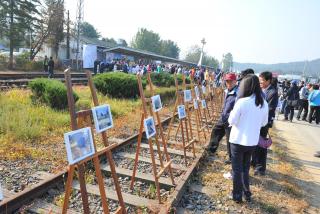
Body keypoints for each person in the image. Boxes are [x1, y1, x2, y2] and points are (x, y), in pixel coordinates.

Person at [228, 74, 268, 203]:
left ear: (245, 86)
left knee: (237, 169)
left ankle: (237, 196)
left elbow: (231, 120)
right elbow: (263, 123)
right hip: (251, 142)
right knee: (245, 168)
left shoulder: (242, 102)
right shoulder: (263, 103)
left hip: (238, 140)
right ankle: (247, 193)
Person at [253, 71, 278, 176]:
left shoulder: (272, 92)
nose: (260, 82)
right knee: (255, 142)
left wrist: (260, 116)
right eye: (259, 80)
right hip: (256, 121)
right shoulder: (260, 89)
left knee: (261, 145)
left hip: (264, 122)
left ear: (268, 80)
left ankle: (260, 168)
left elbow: (271, 109)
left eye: (262, 80)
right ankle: (254, 162)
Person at [209, 73, 238, 164]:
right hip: (223, 117)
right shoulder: (228, 91)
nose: (228, 83)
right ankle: (211, 148)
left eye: (230, 81)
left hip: (231, 120)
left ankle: (231, 158)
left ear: (235, 82)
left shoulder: (237, 93)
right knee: (216, 130)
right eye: (227, 81)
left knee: (230, 140)